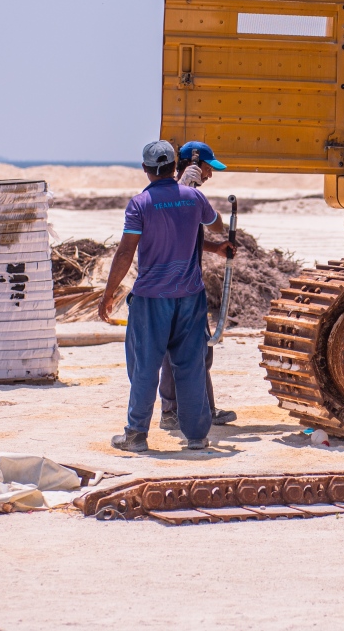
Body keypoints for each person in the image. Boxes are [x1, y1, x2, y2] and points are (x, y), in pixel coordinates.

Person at [98, 140, 233, 453]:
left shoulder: (140, 204)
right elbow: (214, 225)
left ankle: (135, 436)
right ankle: (197, 436)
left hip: (151, 299)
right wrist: (192, 191)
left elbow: (126, 250)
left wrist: (108, 294)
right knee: (191, 366)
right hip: (190, 298)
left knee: (145, 368)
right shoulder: (194, 197)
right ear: (175, 167)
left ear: (146, 170)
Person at [158, 141, 236, 431]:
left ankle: (190, 409)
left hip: (178, 287)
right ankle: (184, 411)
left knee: (190, 351)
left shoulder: (179, 196)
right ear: (193, 163)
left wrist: (214, 249)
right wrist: (186, 193)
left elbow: (188, 235)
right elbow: (214, 223)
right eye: (207, 168)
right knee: (187, 351)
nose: (210, 175)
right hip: (179, 288)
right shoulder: (173, 196)